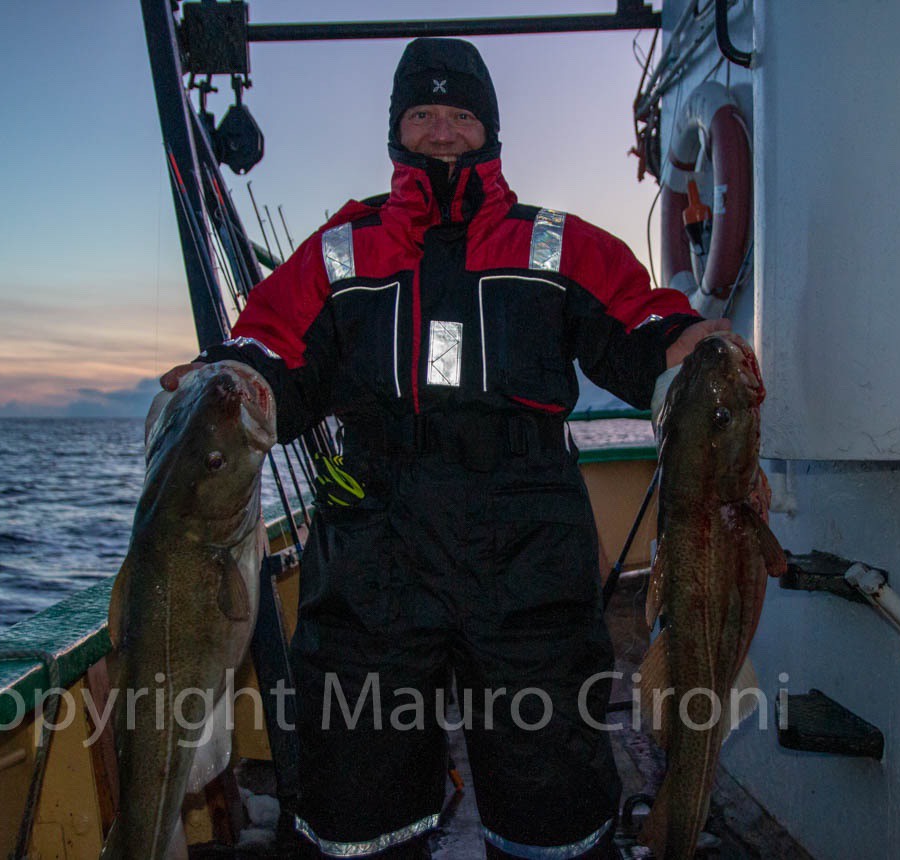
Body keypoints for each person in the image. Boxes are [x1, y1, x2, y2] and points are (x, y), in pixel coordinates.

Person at [163, 38, 726, 859]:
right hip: (373, 545)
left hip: (528, 537)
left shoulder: (559, 245)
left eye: (460, 113)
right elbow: (270, 351)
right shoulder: (338, 251)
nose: (441, 130)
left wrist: (687, 343)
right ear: (397, 130)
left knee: (552, 790)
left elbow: (641, 324)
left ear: (489, 130)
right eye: (422, 113)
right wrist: (227, 378)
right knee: (356, 794)